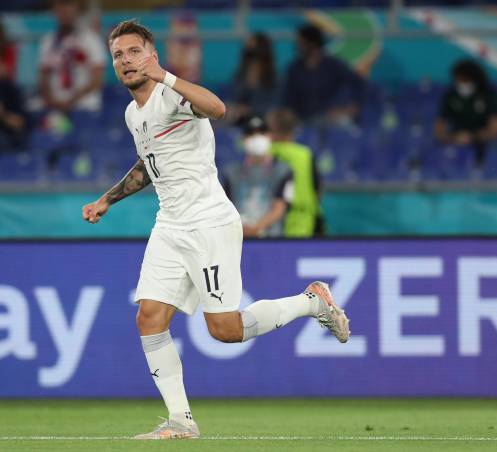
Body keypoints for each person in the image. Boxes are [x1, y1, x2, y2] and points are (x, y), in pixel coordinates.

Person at [81, 20, 350, 440]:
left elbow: (218, 108)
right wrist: (107, 199)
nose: (126, 60)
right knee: (149, 317)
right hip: (169, 225)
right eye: (118, 55)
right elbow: (149, 166)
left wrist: (166, 76)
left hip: (208, 222)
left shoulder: (172, 93)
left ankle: (311, 302)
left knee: (224, 330)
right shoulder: (134, 114)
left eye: (134, 51)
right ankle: (180, 420)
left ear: (152, 55)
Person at [222, 116, 293, 238]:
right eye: (251, 134)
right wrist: (241, 228)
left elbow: (280, 207)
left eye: (262, 133)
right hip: (238, 237)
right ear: (243, 139)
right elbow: (225, 206)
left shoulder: (284, 171)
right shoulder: (231, 172)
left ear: (271, 136)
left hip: (272, 240)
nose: (257, 137)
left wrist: (256, 228)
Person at [282, 24, 364, 125]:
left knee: (344, 123)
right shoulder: (294, 69)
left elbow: (358, 86)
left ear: (312, 43)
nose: (297, 46)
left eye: (301, 43)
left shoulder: (334, 66)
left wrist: (350, 108)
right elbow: (287, 99)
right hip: (302, 120)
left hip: (331, 118)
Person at [38, 0, 106, 112]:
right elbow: (43, 78)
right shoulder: (48, 41)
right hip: (55, 106)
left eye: (68, 5)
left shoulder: (91, 39)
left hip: (85, 106)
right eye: (60, 6)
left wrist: (72, 100)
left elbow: (97, 80)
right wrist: (51, 100)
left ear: (77, 8)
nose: (64, 11)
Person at [434, 59, 497, 166]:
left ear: (474, 79)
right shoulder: (450, 95)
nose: (461, 84)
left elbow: (496, 129)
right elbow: (439, 128)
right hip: (455, 140)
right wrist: (453, 138)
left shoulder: (489, 94)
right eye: (458, 80)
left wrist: (472, 137)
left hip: (484, 142)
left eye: (465, 80)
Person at [267, 108, 323, 237]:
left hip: (272, 217)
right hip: (303, 219)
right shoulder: (306, 154)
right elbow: (318, 188)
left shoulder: (266, 153)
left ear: (273, 128)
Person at [230, 33, 279, 122]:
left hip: (265, 122)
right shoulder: (241, 76)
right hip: (242, 122)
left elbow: (274, 107)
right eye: (248, 56)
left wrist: (250, 110)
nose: (253, 65)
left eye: (255, 55)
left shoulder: (274, 78)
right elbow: (234, 100)